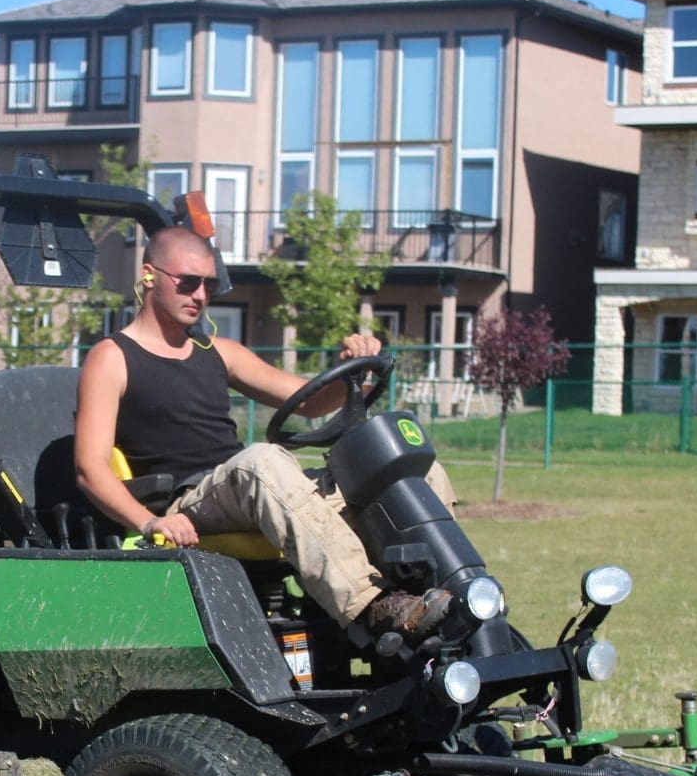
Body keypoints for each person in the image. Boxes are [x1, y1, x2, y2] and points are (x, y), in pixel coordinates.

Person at [74, 226, 453, 640]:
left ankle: (449, 594)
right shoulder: (112, 357)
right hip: (191, 498)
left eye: (209, 285)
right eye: (188, 282)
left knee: (402, 471)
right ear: (149, 276)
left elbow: (309, 401)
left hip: (251, 488)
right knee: (262, 461)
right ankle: (373, 607)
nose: (200, 295)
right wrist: (149, 523)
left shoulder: (218, 351)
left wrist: (356, 374)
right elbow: (90, 468)